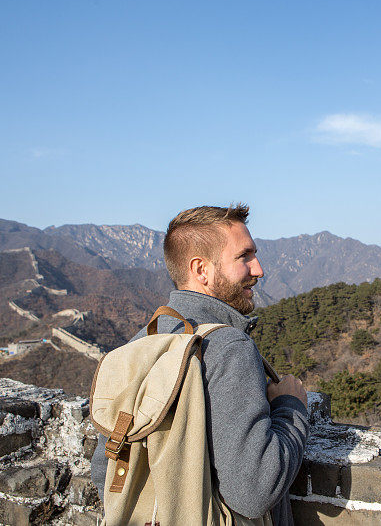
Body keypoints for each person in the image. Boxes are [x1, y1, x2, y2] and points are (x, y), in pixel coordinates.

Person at [91, 204, 309, 525]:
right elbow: (253, 493)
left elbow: (103, 470)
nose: (258, 269)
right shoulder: (229, 347)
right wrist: (291, 406)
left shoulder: (139, 343)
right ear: (201, 270)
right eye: (244, 257)